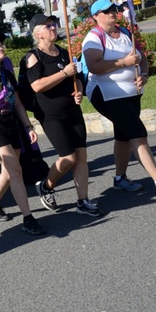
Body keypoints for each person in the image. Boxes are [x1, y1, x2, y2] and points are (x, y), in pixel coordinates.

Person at [82, 0, 156, 196]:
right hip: (105, 94)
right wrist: (123, 62)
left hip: (130, 93)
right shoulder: (93, 38)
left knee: (124, 136)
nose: (112, 13)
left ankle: (120, 178)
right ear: (95, 17)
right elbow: (94, 66)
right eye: (106, 11)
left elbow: (141, 58)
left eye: (113, 9)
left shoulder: (126, 32)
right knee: (137, 133)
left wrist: (143, 75)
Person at [0, 32, 45, 235]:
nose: (1, 47)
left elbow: (18, 103)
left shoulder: (7, 73)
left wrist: (28, 126)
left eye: (1, 44)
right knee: (16, 171)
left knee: (7, 171)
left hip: (12, 127)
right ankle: (28, 218)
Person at [27, 14, 101, 216]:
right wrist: (64, 74)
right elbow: (37, 85)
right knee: (68, 158)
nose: (53, 28)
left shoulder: (63, 52)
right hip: (51, 115)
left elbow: (76, 78)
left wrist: (78, 91)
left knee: (81, 156)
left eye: (53, 25)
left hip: (72, 110)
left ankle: (83, 200)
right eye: (48, 26)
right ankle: (46, 186)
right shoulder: (34, 56)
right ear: (38, 33)